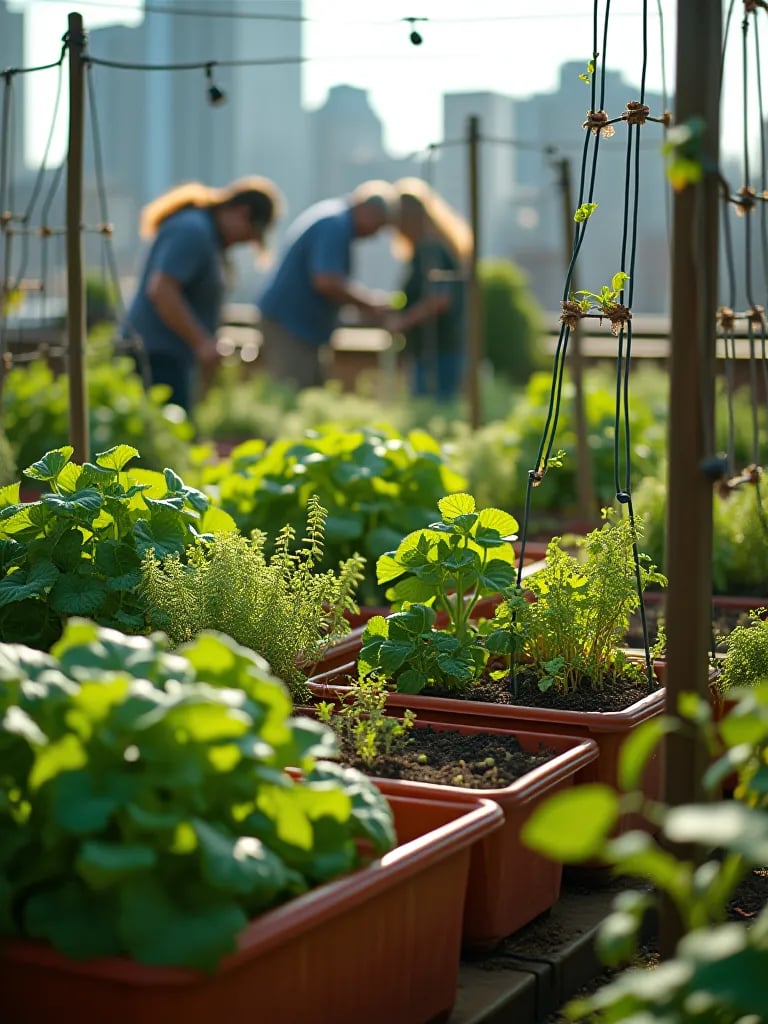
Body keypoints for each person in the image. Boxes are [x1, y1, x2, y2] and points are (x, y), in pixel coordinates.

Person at [124, 176, 283, 413]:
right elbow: (162, 290)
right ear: (241, 211)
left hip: (172, 356)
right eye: (248, 233)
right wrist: (202, 343)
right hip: (155, 356)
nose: (243, 242)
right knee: (160, 434)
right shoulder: (193, 230)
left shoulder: (206, 234)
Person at [256, 180, 396, 389]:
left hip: (300, 326)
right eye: (379, 224)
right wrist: (369, 304)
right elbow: (326, 281)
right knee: (294, 391)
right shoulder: (335, 225)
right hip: (290, 325)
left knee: (311, 390)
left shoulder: (334, 218)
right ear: (366, 210)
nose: (375, 234)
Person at [385, 178, 472, 402]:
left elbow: (440, 298)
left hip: (438, 350)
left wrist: (402, 322)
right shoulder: (434, 247)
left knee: (432, 409)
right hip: (441, 348)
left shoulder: (430, 249)